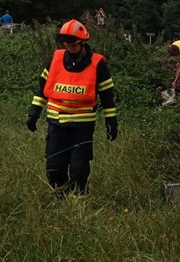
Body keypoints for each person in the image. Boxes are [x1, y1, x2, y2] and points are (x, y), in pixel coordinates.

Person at [26, 19, 117, 196]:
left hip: (82, 126)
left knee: (79, 166)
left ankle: (79, 199)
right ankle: (60, 198)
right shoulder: (55, 58)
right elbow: (42, 89)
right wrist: (34, 113)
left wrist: (111, 122)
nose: (69, 48)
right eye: (66, 44)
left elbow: (107, 97)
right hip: (56, 123)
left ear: (82, 42)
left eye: (73, 44)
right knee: (54, 166)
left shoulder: (98, 64)